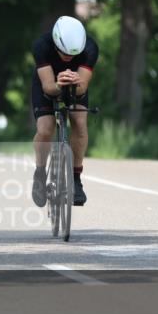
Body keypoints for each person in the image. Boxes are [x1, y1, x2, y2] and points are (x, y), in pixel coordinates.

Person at [31, 16, 99, 207]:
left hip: (76, 84)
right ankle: (40, 171)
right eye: (64, 53)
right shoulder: (41, 46)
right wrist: (59, 83)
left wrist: (75, 83)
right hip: (49, 82)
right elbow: (48, 88)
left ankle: (76, 180)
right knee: (45, 129)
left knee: (79, 121)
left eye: (73, 55)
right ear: (55, 42)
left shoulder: (90, 48)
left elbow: (82, 89)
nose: (68, 57)